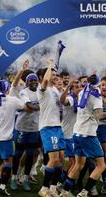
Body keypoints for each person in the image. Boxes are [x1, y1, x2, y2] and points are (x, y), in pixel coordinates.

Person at [60, 74, 106, 197]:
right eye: (102, 84)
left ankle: (65, 191)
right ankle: (84, 192)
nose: (103, 87)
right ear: (98, 84)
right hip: (88, 134)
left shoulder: (82, 92)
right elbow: (99, 116)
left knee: (78, 164)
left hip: (77, 133)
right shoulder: (96, 96)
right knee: (101, 165)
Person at [38, 59, 66, 197]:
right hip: (48, 127)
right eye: (52, 74)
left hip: (57, 127)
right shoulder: (42, 89)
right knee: (54, 159)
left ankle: (53, 188)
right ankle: (44, 189)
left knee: (61, 158)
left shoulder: (55, 89)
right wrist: (49, 66)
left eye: (56, 74)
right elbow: (44, 81)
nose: (55, 76)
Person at [11, 73, 40, 192]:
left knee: (30, 155)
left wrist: (39, 105)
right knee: (17, 154)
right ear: (27, 82)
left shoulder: (40, 91)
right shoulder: (24, 92)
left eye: (35, 80)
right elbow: (30, 106)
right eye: (31, 80)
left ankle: (26, 178)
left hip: (34, 129)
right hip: (21, 128)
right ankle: (13, 178)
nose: (34, 82)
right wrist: (42, 105)